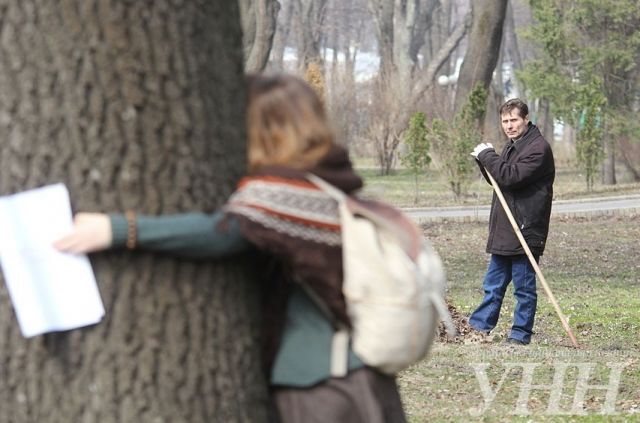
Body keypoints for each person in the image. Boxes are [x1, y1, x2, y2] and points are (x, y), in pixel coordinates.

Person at [55, 74, 406, 422]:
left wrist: (121, 230)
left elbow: (223, 233)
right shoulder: (331, 185)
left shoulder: (287, 194)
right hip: (363, 382)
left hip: (324, 388)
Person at [467, 98, 555, 345]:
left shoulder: (538, 149)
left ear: (526, 119)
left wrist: (488, 156)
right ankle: (479, 327)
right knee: (493, 285)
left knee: (524, 288)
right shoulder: (511, 146)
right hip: (506, 228)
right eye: (505, 121)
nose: (509, 125)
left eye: (514, 120)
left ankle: (519, 334)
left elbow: (510, 177)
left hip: (526, 229)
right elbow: (498, 178)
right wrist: (484, 161)